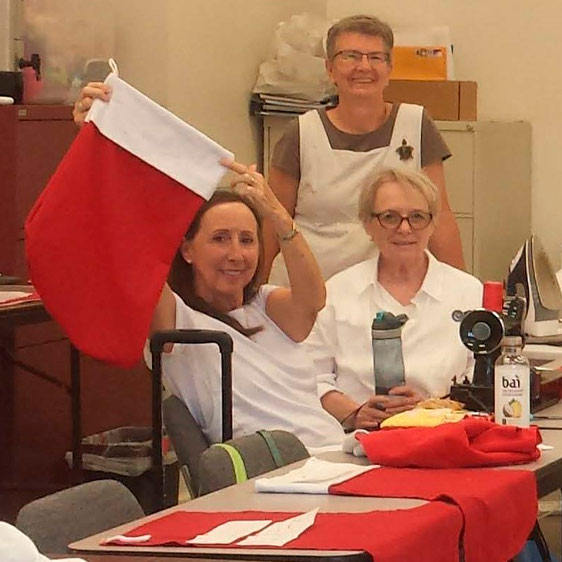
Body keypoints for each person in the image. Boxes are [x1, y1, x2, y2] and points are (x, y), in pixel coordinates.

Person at [148, 161, 345, 452]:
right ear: (187, 250)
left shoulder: (265, 303)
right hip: (272, 471)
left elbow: (313, 300)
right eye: (220, 239)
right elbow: (136, 249)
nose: (236, 254)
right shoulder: (179, 320)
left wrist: (277, 215)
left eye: (247, 240)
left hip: (337, 450)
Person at [265, 14, 464, 286]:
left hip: (391, 291)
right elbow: (273, 222)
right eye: (350, 56)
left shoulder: (416, 125)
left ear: (390, 68)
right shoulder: (301, 133)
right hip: (310, 292)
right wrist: (252, 298)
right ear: (330, 68)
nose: (363, 67)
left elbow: (441, 219)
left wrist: (464, 296)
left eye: (375, 57)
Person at [306, 167, 482, 431]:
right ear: (367, 223)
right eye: (389, 217)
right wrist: (354, 414)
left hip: (442, 437)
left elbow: (483, 383)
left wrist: (430, 409)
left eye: (417, 217)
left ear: (433, 223)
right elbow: (312, 378)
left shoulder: (468, 293)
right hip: (356, 439)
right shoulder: (335, 293)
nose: (404, 228)